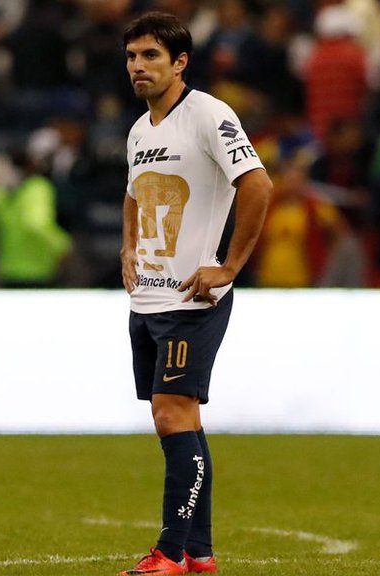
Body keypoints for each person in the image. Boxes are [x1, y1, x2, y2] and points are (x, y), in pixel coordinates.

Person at [119, 12, 272, 576]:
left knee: (171, 413)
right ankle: (200, 554)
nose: (138, 66)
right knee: (181, 419)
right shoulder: (140, 130)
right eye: (132, 56)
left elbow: (257, 184)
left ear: (180, 62)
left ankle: (170, 552)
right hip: (147, 299)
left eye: (150, 56)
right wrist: (128, 247)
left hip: (192, 300)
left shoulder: (209, 114)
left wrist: (229, 265)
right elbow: (134, 193)